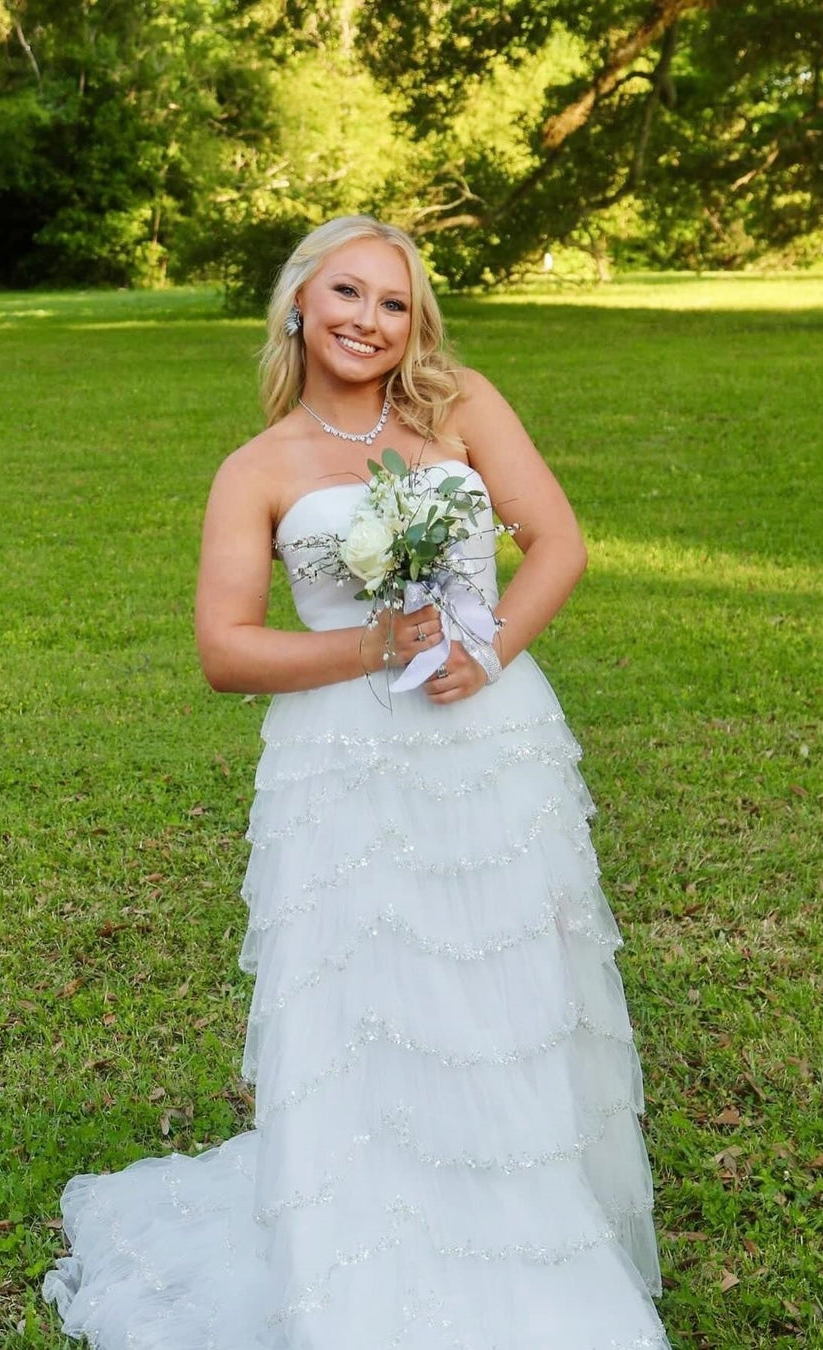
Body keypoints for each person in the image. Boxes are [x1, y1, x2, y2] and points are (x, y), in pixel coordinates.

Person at [42, 215, 671, 1348]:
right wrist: (378, 648)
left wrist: (487, 652)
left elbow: (559, 544)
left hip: (493, 746)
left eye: (392, 302)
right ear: (298, 301)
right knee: (369, 998)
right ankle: (374, 1250)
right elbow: (226, 651)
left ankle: (524, 1220)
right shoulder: (259, 469)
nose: (367, 321)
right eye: (346, 293)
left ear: (415, 319)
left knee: (505, 987)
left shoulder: (462, 406)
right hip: (342, 764)